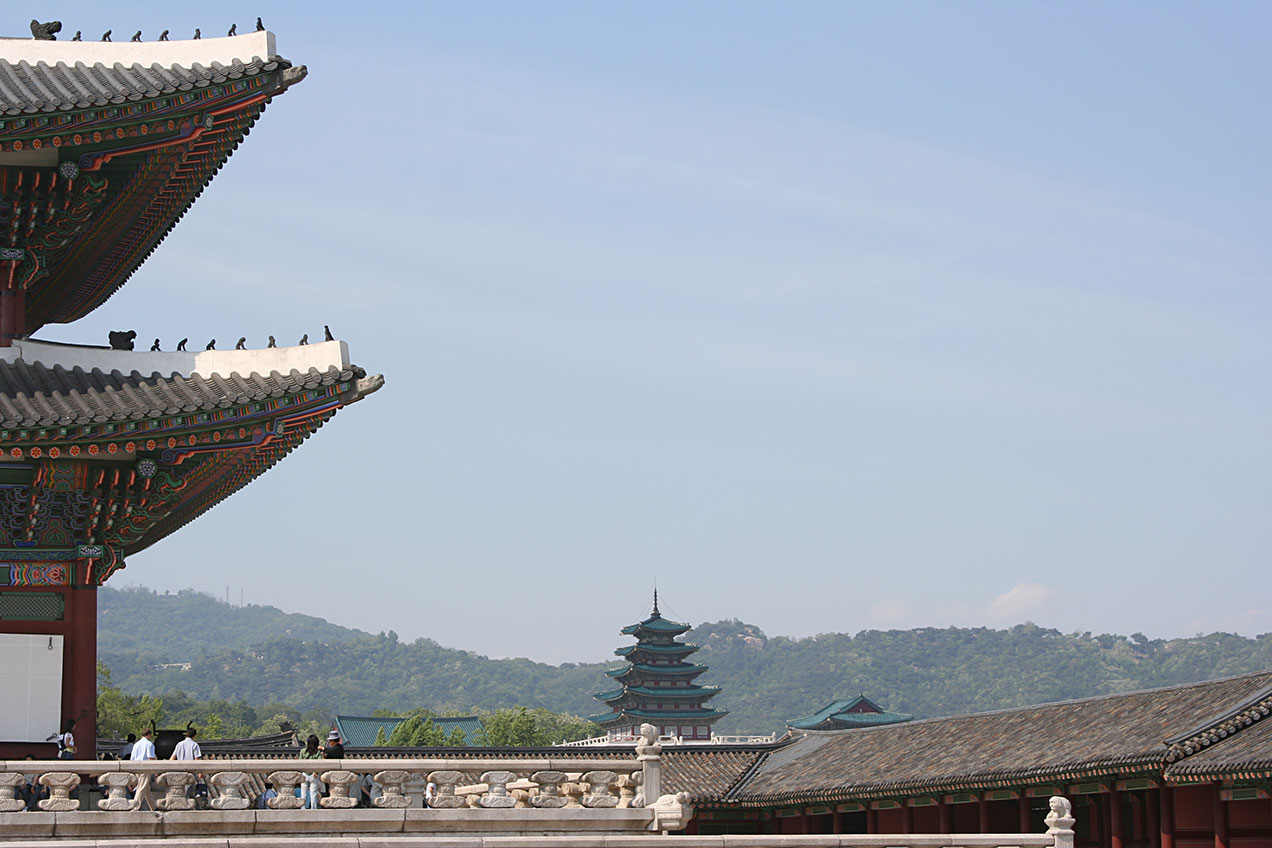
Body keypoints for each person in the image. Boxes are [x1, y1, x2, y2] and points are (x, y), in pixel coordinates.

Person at [129, 728, 158, 811]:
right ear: (149, 735)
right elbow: (151, 757)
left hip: (136, 767)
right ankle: (135, 806)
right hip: (146, 768)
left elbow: (132, 758)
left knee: (146, 788)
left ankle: (153, 806)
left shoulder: (136, 744)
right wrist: (155, 769)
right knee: (142, 787)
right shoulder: (149, 744)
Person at [298, 734, 323, 809]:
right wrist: (316, 771)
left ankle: (302, 808)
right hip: (314, 774)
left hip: (304, 774)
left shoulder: (303, 751)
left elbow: (300, 762)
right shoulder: (318, 752)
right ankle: (313, 808)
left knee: (303, 793)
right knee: (313, 793)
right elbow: (319, 762)